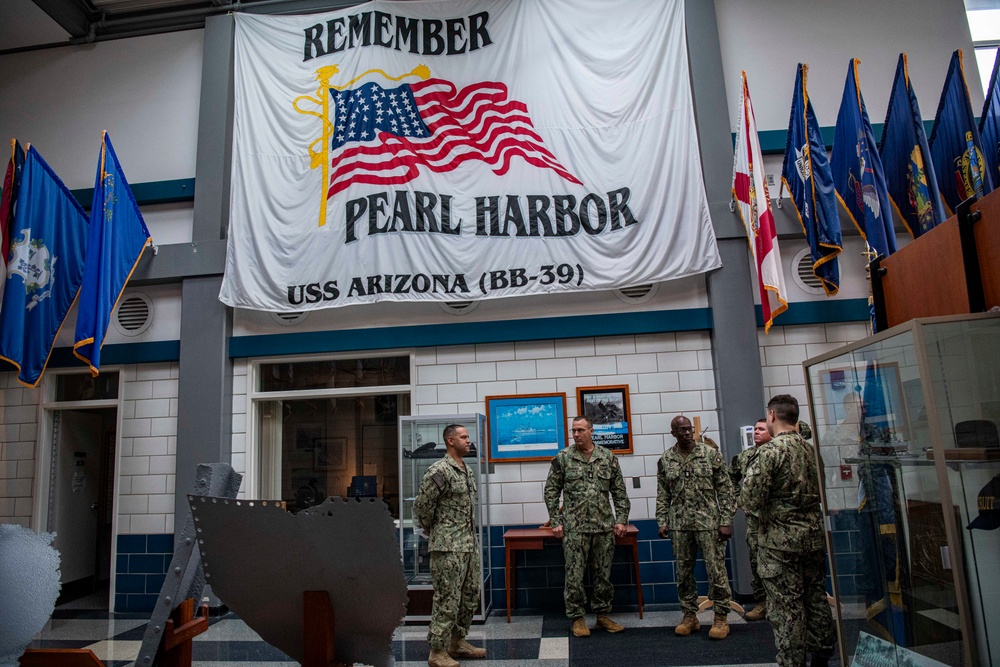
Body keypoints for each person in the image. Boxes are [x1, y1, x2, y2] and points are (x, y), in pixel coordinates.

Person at [740, 395, 836, 667]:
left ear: (771, 415)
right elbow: (822, 487)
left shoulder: (770, 452)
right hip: (813, 539)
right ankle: (822, 657)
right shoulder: (810, 451)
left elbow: (750, 499)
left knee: (787, 609)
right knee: (816, 599)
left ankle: (793, 662)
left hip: (780, 545)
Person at [544, 415, 631, 638]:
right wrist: (555, 521)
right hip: (574, 528)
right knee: (574, 575)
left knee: (603, 575)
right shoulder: (563, 458)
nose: (576, 435)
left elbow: (619, 492)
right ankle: (577, 618)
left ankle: (602, 616)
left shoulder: (607, 457)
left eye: (580, 430)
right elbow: (551, 491)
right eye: (573, 430)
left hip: (603, 527)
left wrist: (621, 519)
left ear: (591, 431)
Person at [657, 415, 736, 639]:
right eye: (680, 430)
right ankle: (689, 616)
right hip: (680, 525)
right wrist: (662, 521)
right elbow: (663, 494)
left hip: (709, 524)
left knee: (716, 571)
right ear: (673, 433)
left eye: (688, 428)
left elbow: (726, 490)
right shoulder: (666, 459)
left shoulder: (710, 455)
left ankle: (721, 617)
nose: (685, 432)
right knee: (683, 573)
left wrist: (726, 520)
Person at [413, 424, 486, 667]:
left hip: (468, 544)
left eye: (468, 437)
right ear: (450, 440)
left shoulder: (466, 470)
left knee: (468, 596)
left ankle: (458, 642)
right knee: (447, 598)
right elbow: (423, 506)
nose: (468, 440)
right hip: (447, 546)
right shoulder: (440, 470)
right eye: (464, 437)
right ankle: (437, 651)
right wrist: (433, 530)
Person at [729, 418, 770, 621]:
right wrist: (740, 500)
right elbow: (729, 478)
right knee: (757, 561)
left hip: (778, 519)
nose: (756, 432)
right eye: (755, 429)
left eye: (761, 429)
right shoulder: (745, 457)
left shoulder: (779, 452)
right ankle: (762, 603)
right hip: (755, 520)